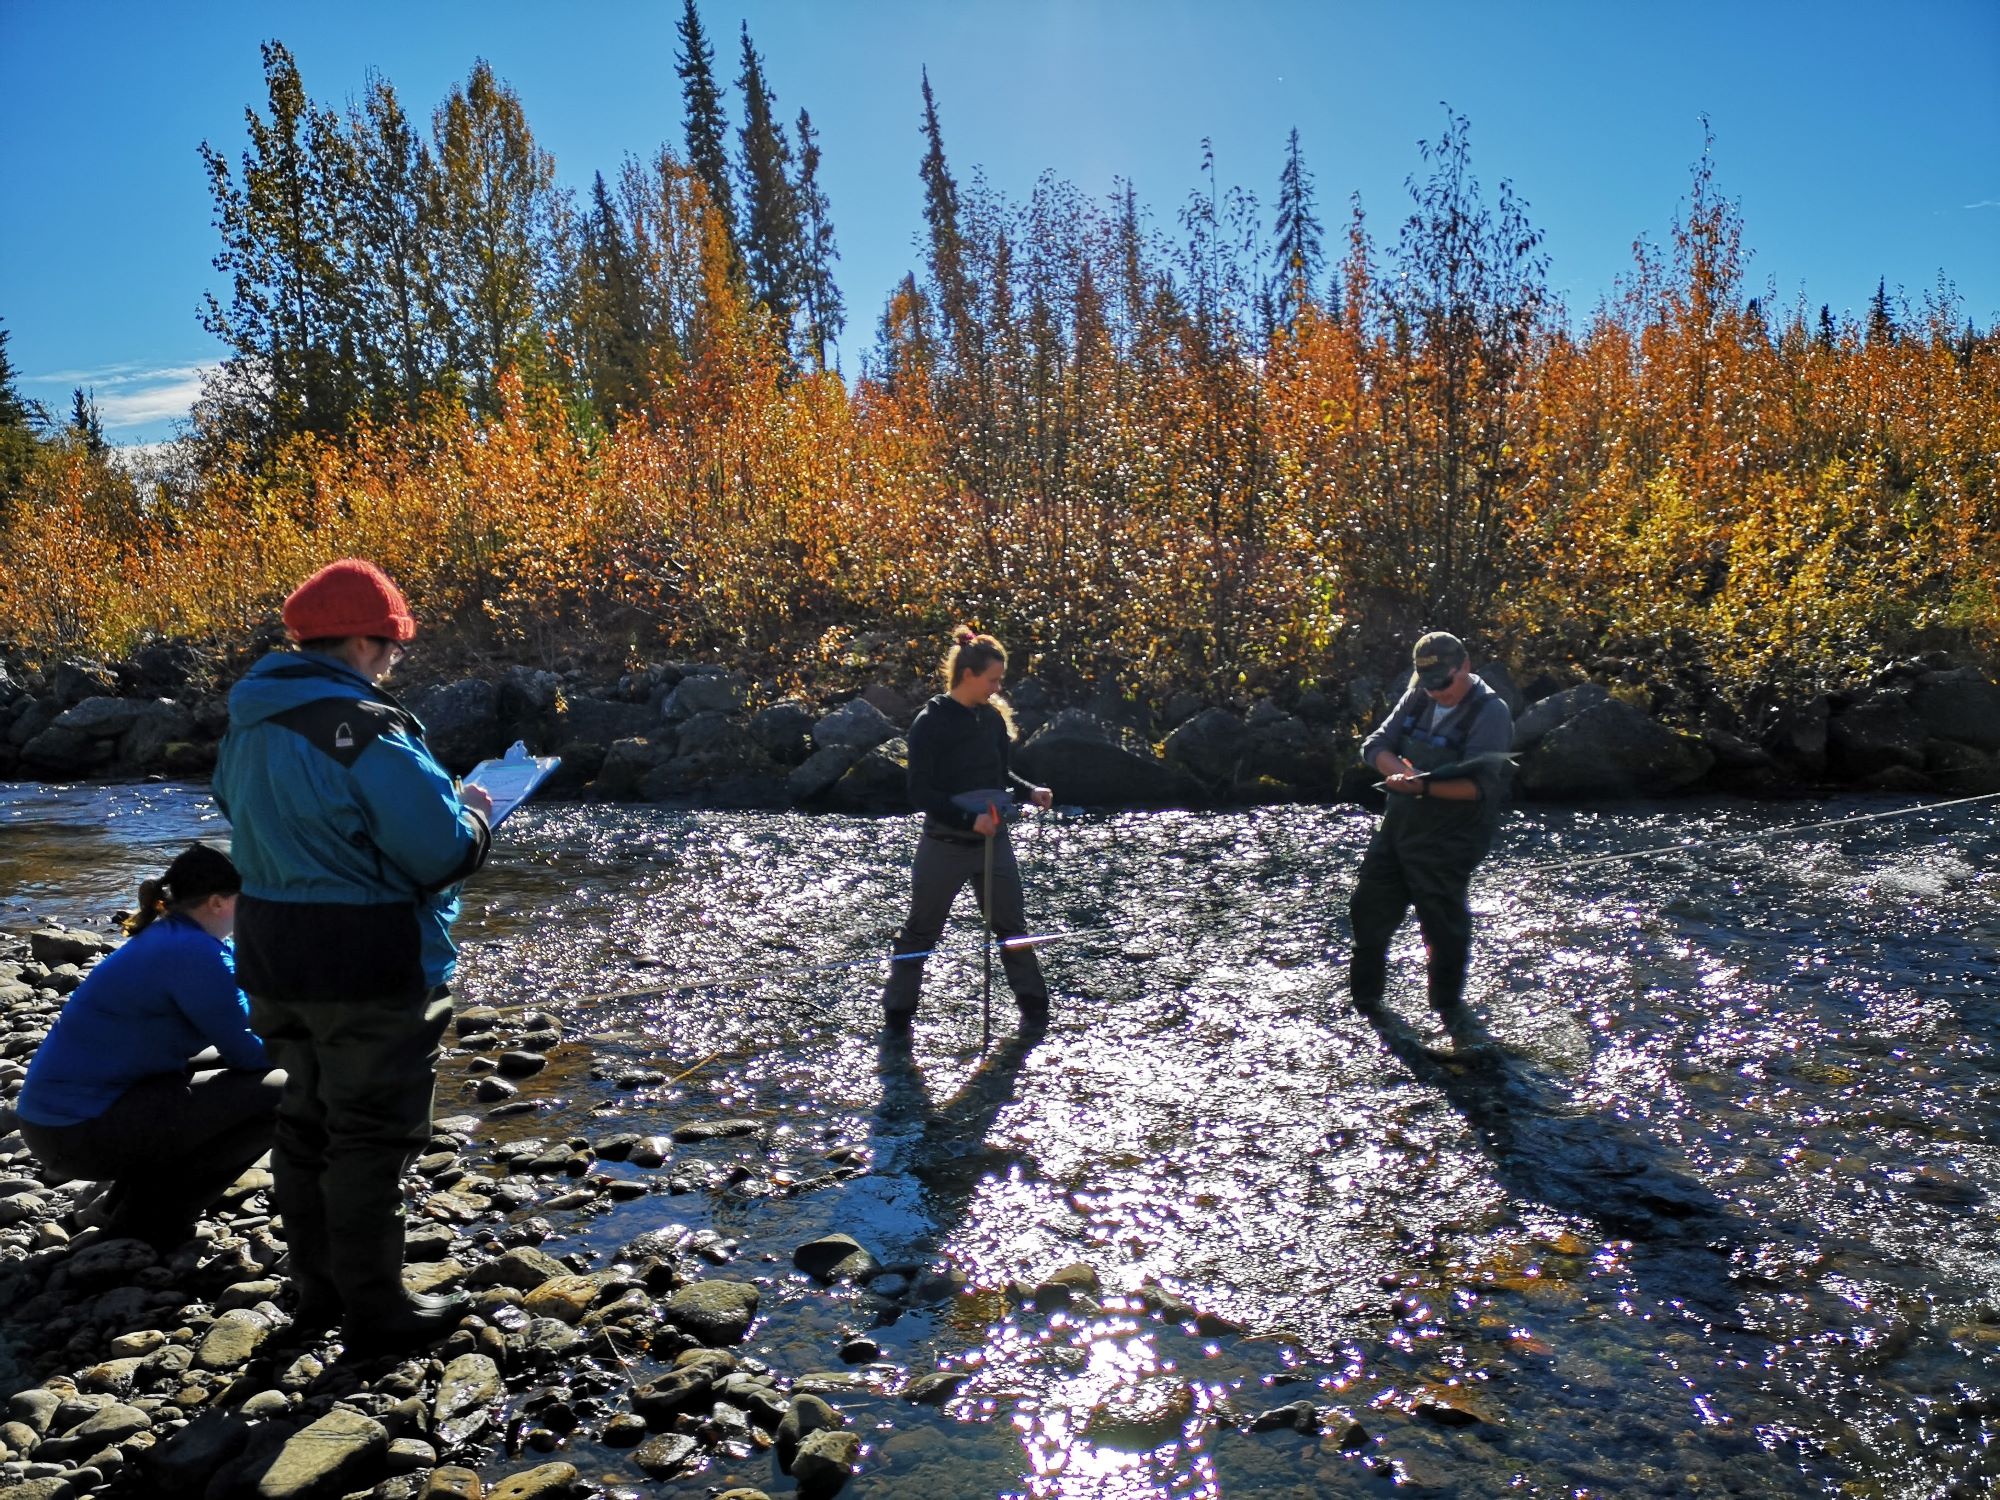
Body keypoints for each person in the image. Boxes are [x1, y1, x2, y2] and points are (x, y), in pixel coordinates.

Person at [213, 557, 493, 1359]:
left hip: (270, 948)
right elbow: (437, 853)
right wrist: (475, 813)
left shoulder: (249, 718)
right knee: (370, 1134)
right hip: (366, 958)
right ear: (367, 643)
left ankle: (318, 1293)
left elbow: (233, 808)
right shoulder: (366, 728)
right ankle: (378, 1312)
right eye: (394, 646)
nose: (394, 660)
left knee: (304, 1121)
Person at [18, 842, 281, 1253]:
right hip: (77, 1134)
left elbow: (239, 1021)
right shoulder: (194, 952)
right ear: (217, 901)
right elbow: (249, 1052)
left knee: (226, 1069)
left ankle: (124, 1206)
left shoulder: (172, 934)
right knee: (287, 1089)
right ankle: (151, 1219)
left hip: (58, 1122)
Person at [883, 626, 1054, 1030]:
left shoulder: (992, 720)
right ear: (968, 675)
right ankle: (897, 1018)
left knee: (1012, 929)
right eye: (993, 679)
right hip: (944, 845)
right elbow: (920, 792)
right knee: (921, 934)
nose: (998, 688)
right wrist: (967, 818)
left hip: (993, 844)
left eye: (1000, 680)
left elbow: (998, 777)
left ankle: (1035, 1014)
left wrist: (1030, 792)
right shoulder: (931, 722)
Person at [1349, 631, 1515, 1019]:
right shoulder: (1416, 697)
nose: (1438, 693)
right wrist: (1398, 774)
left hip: (1452, 839)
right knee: (1367, 912)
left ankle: (1449, 1014)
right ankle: (1365, 1007)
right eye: (1430, 685)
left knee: (1442, 930)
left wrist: (1421, 786)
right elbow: (1374, 746)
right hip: (1398, 829)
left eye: (1445, 683)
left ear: (1466, 667)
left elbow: (1480, 789)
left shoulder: (1491, 712)